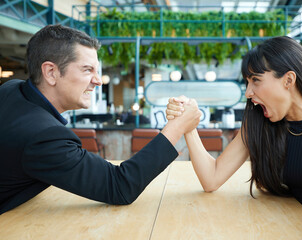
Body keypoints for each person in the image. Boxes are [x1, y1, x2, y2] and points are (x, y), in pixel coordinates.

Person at [166, 36, 302, 240]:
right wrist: (188, 124)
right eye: (247, 82)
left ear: (288, 80)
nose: (248, 93)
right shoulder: (259, 122)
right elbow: (212, 178)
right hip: (288, 229)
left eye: (256, 80)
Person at [0, 24, 201, 214]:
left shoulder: (11, 90)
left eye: (97, 71)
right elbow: (120, 186)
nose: (97, 81)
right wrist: (177, 127)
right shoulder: (43, 137)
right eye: (87, 70)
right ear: (51, 72)